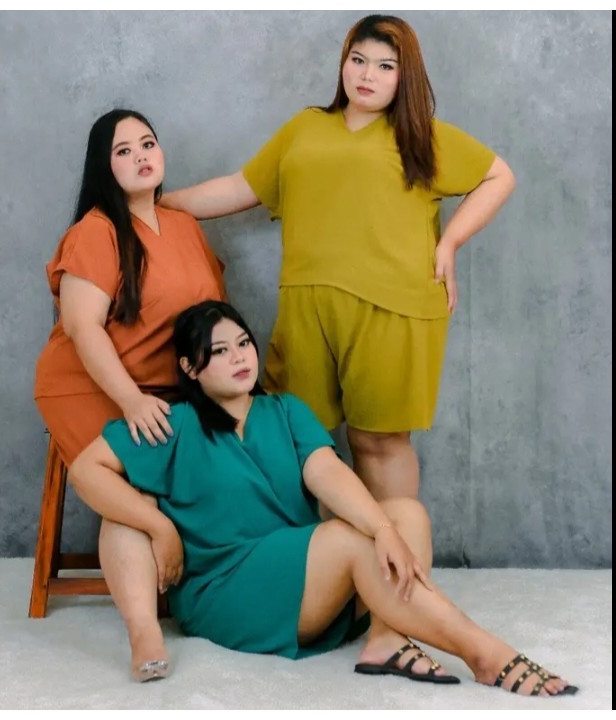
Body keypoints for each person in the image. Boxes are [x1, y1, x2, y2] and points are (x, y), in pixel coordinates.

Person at [69, 300, 576, 696]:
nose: (239, 357)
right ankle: (482, 651)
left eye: (243, 343)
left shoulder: (285, 411)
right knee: (347, 540)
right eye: (219, 351)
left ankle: (385, 637)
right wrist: (158, 526)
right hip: (228, 590)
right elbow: (86, 469)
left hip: (307, 574)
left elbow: (328, 472)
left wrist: (382, 528)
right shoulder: (174, 424)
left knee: (404, 513)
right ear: (190, 367)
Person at [159, 14, 517, 502]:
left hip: (393, 307)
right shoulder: (305, 127)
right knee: (299, 438)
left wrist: (449, 242)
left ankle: (397, 551)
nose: (367, 75)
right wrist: (156, 204)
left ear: (405, 75)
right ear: (344, 63)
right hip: (306, 308)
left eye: (385, 66)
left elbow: (498, 177)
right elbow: (241, 187)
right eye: (358, 60)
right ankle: (328, 550)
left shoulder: (420, 135)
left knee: (377, 441)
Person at [33, 108, 226, 681]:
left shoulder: (184, 225)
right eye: (123, 150)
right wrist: (131, 402)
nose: (141, 156)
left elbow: (211, 321)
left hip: (162, 389)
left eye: (148, 143)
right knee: (135, 485)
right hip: (90, 383)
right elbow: (82, 328)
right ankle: (144, 632)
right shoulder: (96, 231)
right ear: (104, 166)